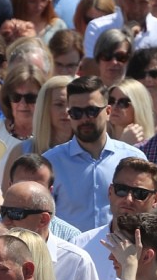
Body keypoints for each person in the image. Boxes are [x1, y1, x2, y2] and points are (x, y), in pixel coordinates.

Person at [43, 75, 147, 231]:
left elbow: (147, 212)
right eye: (76, 113)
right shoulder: (51, 162)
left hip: (120, 251)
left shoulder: (134, 158)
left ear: (108, 111)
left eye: (92, 111)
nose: (85, 119)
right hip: (68, 253)